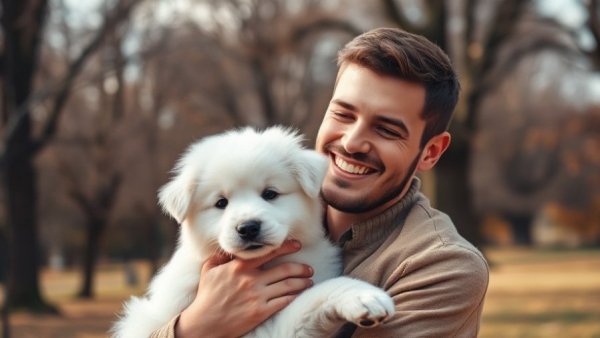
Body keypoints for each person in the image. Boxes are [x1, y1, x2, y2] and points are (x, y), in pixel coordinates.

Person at [151, 27, 489, 338]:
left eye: (387, 129)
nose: (352, 142)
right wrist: (192, 327)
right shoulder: (278, 191)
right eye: (343, 114)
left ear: (430, 152)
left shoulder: (442, 267)